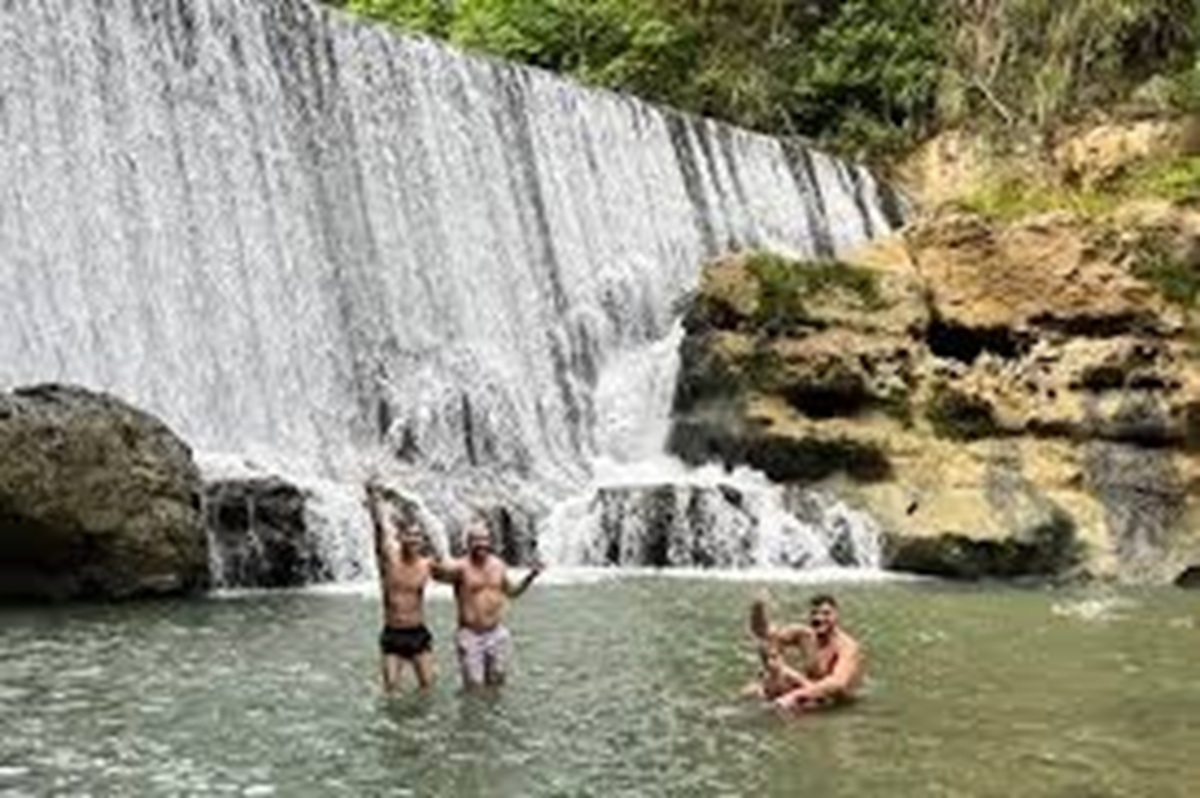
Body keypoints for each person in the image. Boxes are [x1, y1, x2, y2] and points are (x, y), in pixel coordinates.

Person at [432, 515, 544, 690]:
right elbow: (437, 575)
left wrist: (531, 576)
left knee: (498, 683)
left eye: (484, 539)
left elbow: (512, 592)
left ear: (490, 542)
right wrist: (436, 562)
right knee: (474, 686)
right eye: (476, 540)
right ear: (468, 543)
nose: (481, 544)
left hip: (496, 633)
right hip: (470, 634)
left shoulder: (498, 565)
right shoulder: (460, 567)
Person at [366, 481, 436, 695]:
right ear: (401, 537)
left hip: (418, 632)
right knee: (391, 690)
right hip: (393, 633)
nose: (414, 540)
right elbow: (381, 530)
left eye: (417, 536)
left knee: (427, 688)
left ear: (422, 540)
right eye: (409, 535)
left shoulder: (427, 565)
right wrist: (375, 501)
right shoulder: (389, 561)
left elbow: (456, 574)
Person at [747, 592, 864, 712]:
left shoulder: (847, 646)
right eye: (814, 613)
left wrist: (794, 696)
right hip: (809, 694)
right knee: (758, 687)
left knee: (784, 678)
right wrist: (758, 609)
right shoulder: (804, 636)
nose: (819, 618)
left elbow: (838, 683)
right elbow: (765, 635)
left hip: (834, 705)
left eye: (826, 614)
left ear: (836, 615)